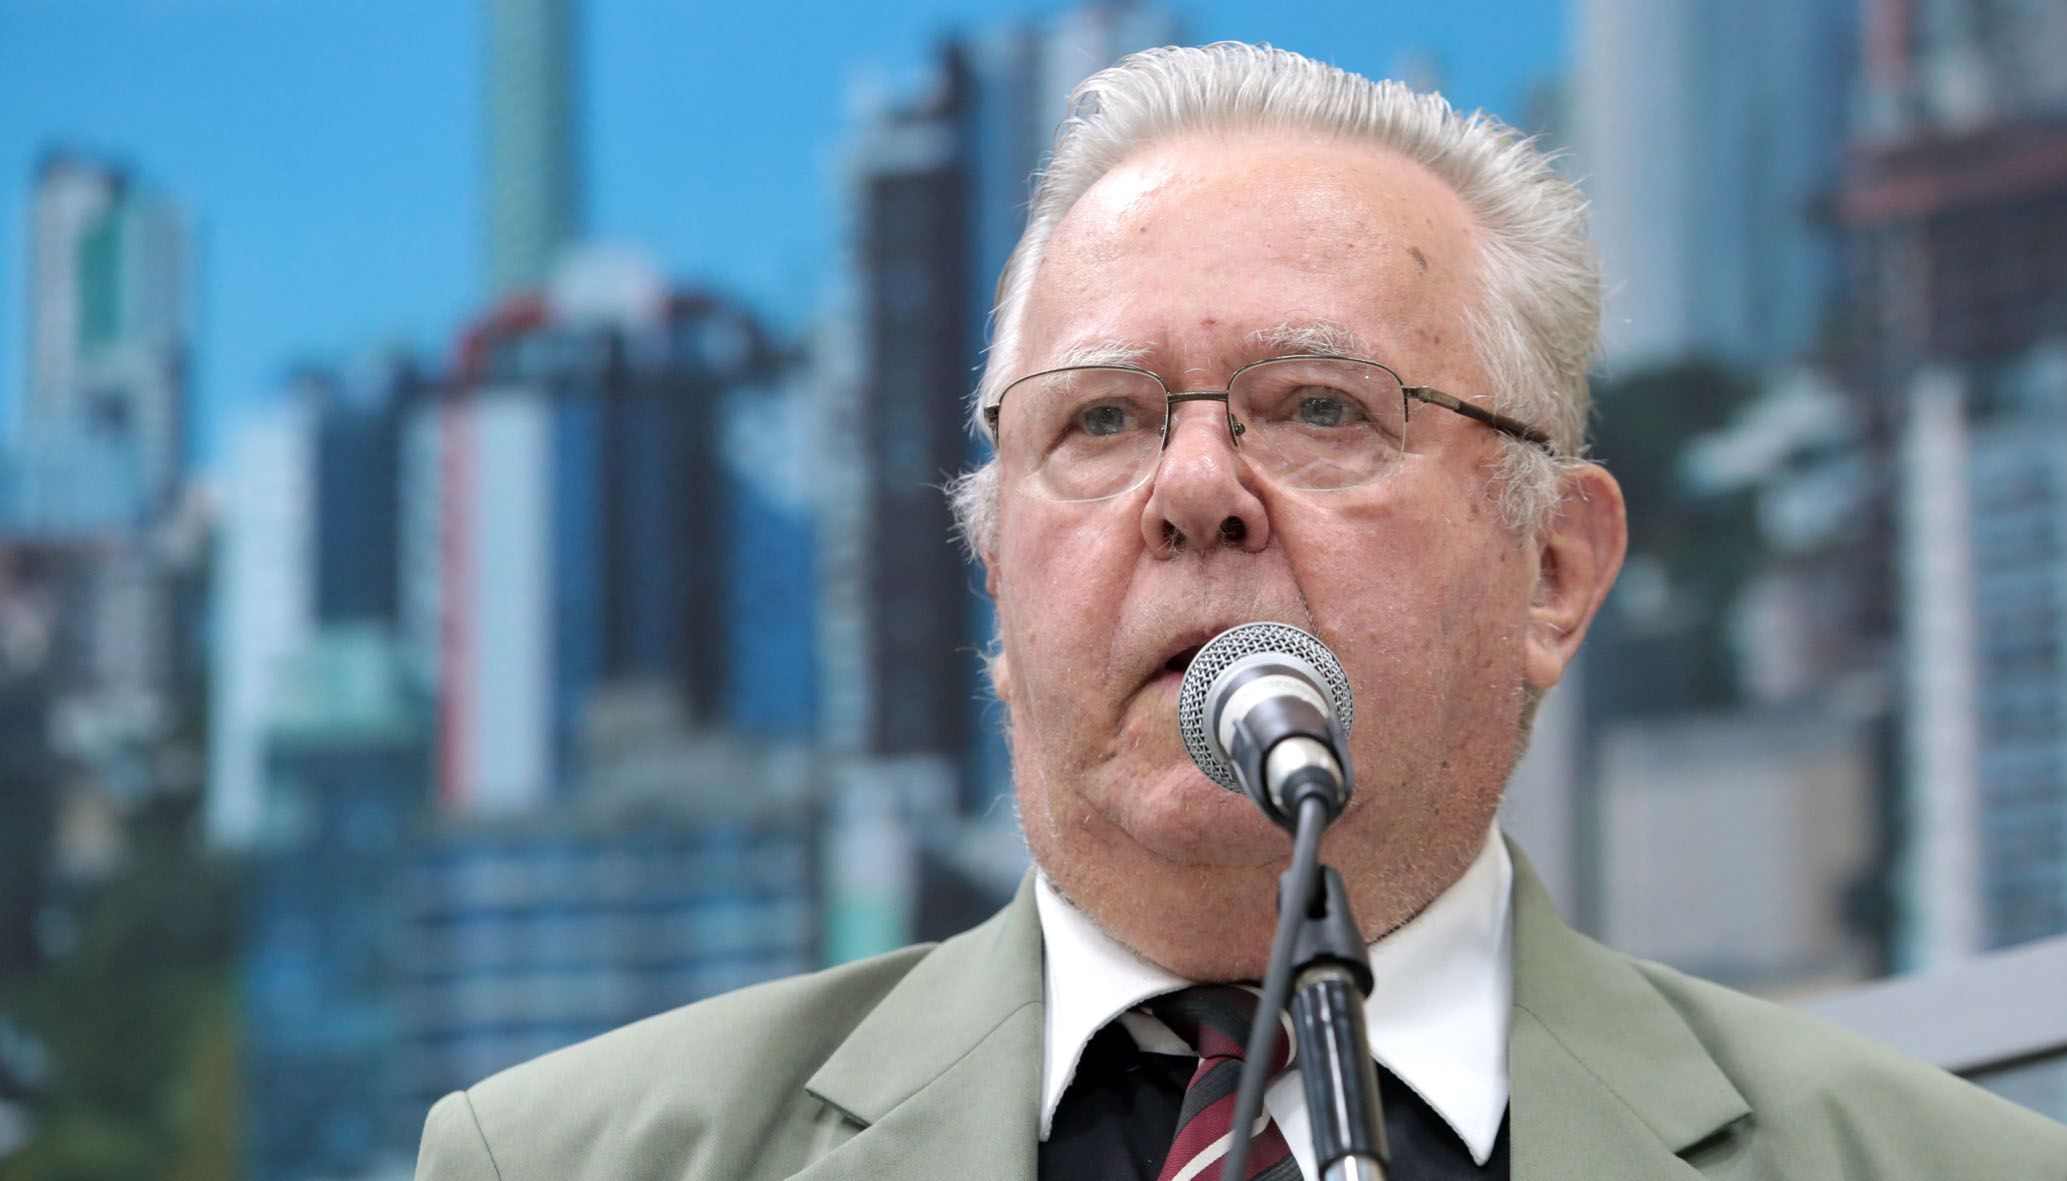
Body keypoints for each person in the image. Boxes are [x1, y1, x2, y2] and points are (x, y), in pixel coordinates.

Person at [416, 43, 2067, 1179]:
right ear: (996, 579)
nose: (1194, 488)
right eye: (1102, 419)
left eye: (1320, 408)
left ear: (1554, 570)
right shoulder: (574, 1160)